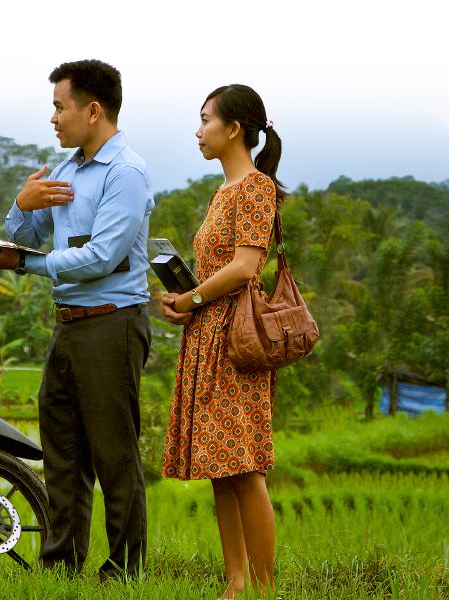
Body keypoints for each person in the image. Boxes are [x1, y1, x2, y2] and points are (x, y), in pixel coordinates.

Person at [0, 59, 154, 579]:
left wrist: (22, 263)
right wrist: (20, 206)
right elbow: (24, 238)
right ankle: (61, 565)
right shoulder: (66, 170)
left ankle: (124, 570)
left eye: (59, 106)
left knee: (114, 454)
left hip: (113, 322)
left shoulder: (126, 173)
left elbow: (100, 256)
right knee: (63, 450)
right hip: (68, 323)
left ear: (93, 110)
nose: (52, 118)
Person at [156, 84, 285, 599]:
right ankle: (235, 583)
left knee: (245, 466)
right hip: (208, 334)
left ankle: (264, 587)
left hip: (237, 340)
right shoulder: (223, 193)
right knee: (221, 467)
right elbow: (219, 269)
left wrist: (190, 300)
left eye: (206, 120)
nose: (198, 130)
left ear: (234, 129)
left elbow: (246, 267)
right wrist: (185, 298)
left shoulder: (255, 188)